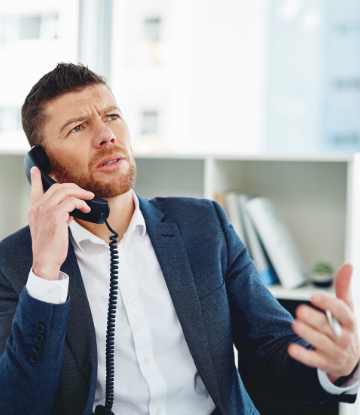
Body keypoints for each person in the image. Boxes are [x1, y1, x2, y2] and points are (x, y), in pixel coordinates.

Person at [0, 63, 359, 415]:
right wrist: (45, 273)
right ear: (43, 168)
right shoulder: (13, 265)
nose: (106, 135)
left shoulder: (203, 225)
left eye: (111, 116)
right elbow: (19, 403)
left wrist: (334, 368)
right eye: (78, 127)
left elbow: (272, 342)